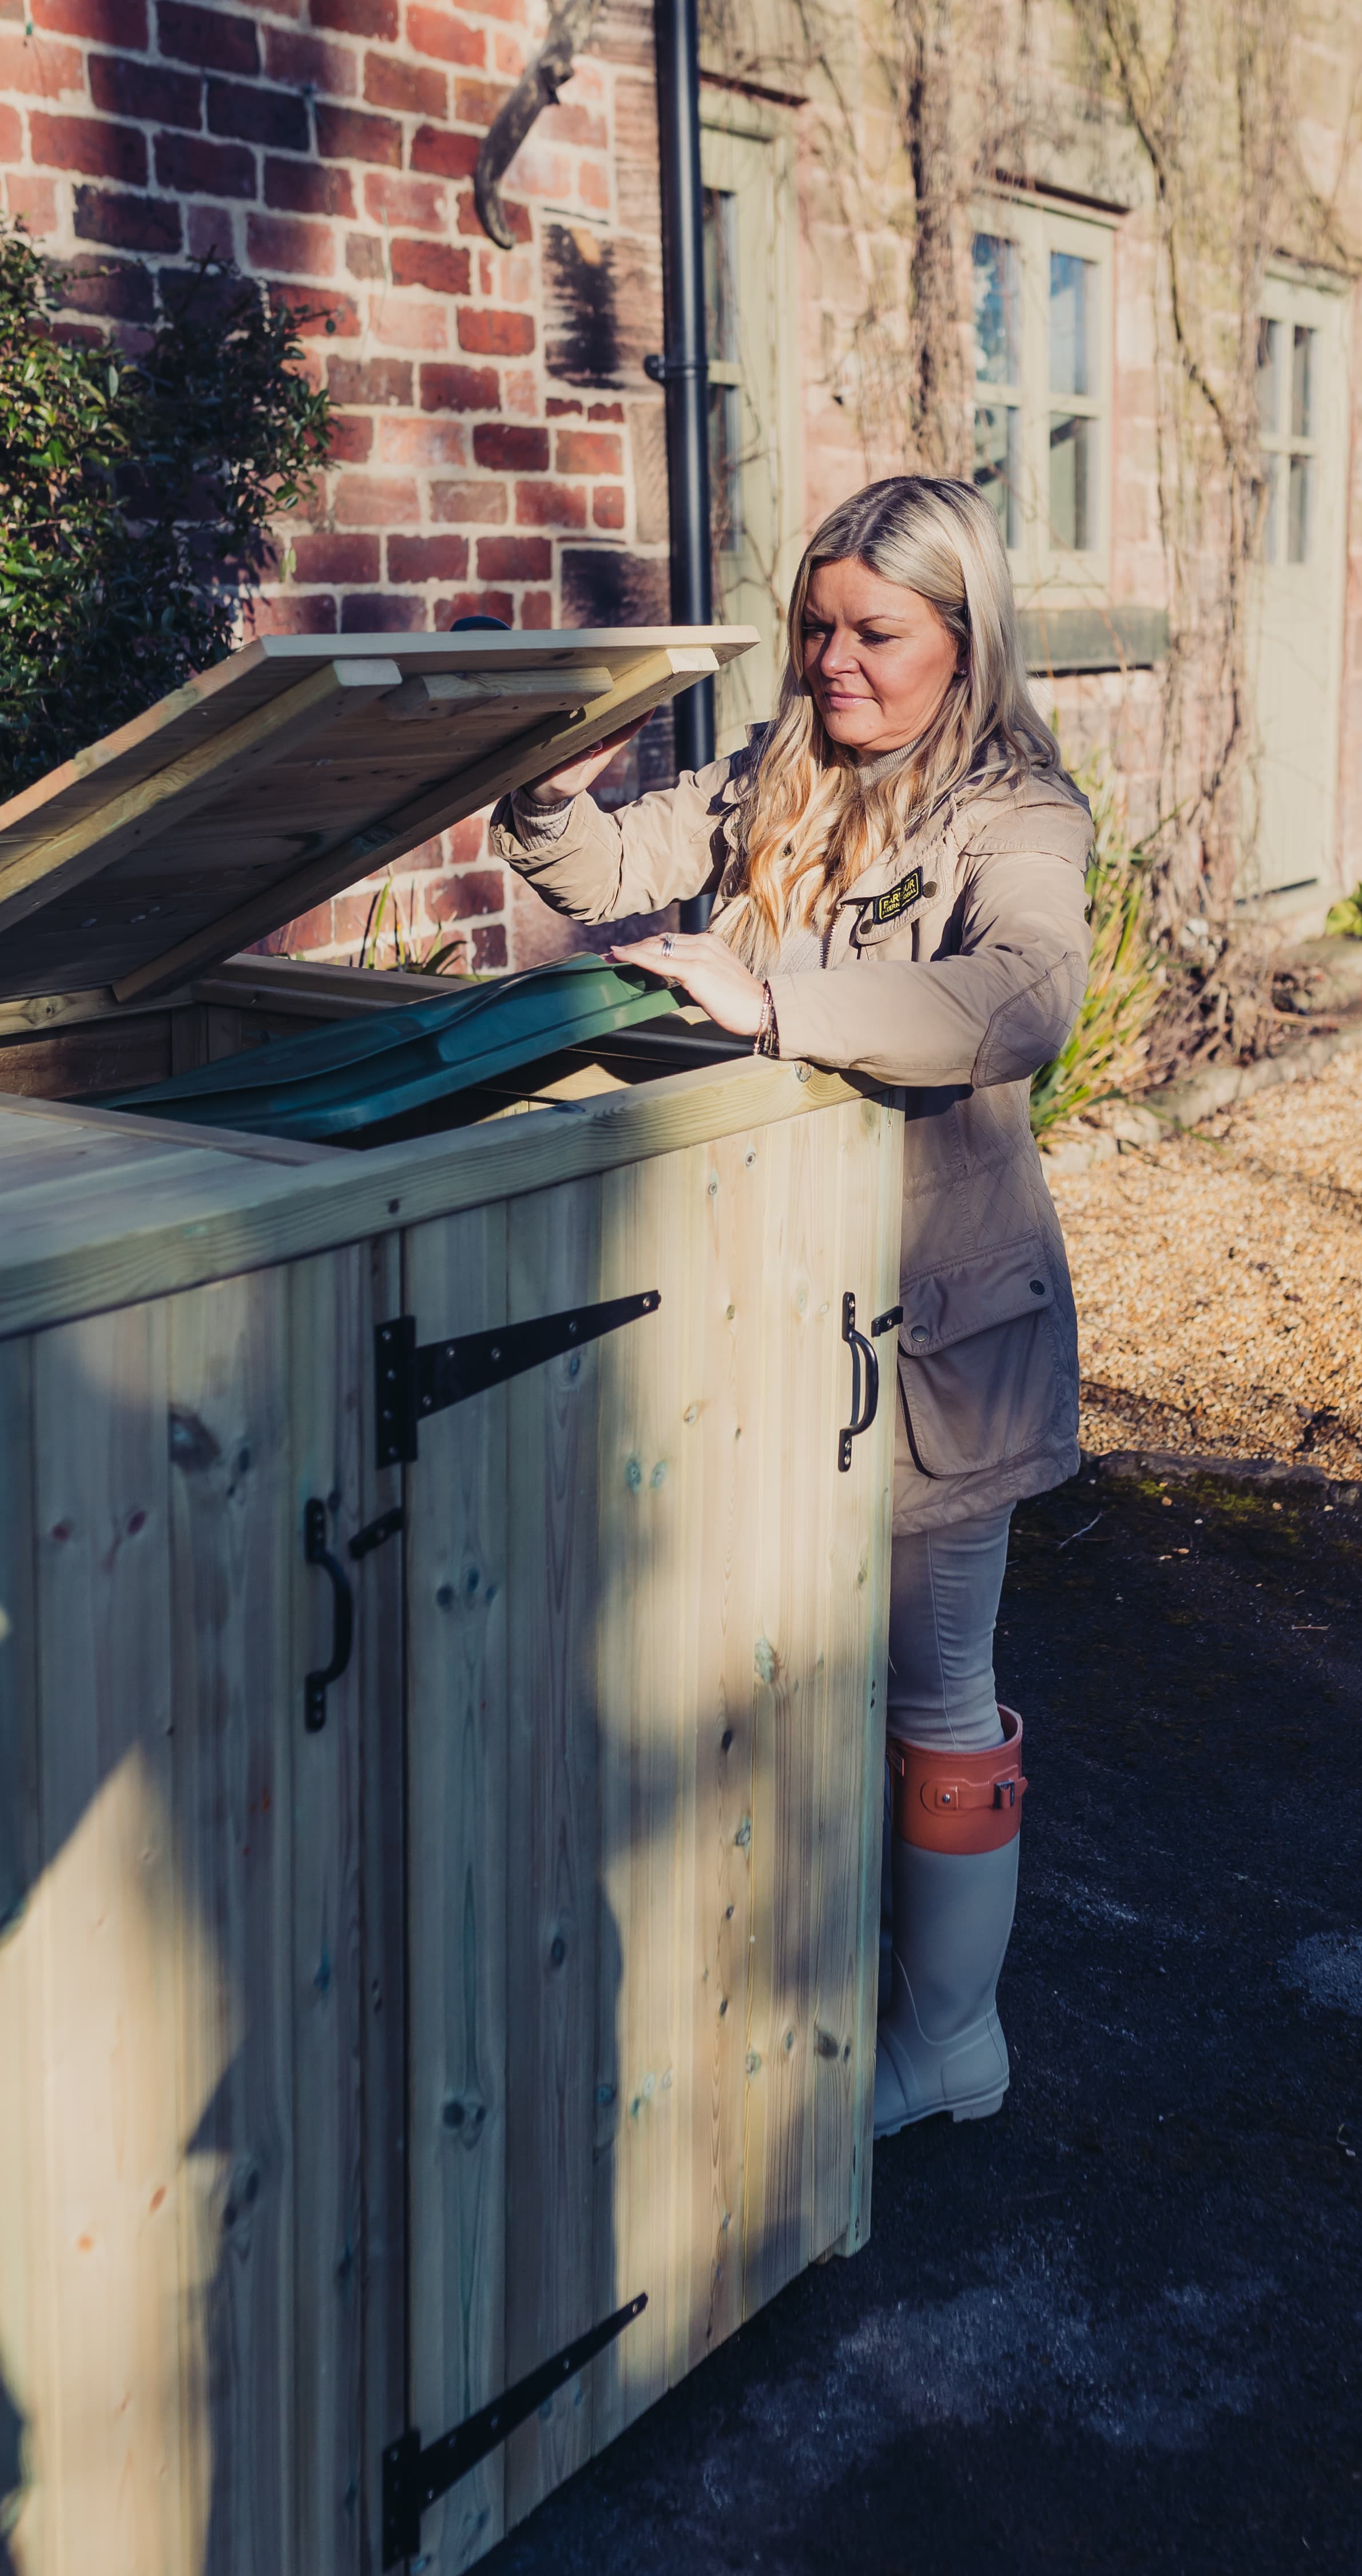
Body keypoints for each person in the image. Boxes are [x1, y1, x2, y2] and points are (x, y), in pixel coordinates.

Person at [492, 474, 1091, 2136]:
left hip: (932, 1337)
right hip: (755, 1309)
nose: (833, 663)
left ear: (963, 644)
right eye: (815, 626)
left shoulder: (1019, 812)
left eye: (874, 634)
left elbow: (1023, 996)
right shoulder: (777, 773)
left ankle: (951, 2042)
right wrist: (535, 779)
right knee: (755, 1680)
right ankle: (781, 2017)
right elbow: (609, 859)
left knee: (929, 1695)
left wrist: (779, 1003)